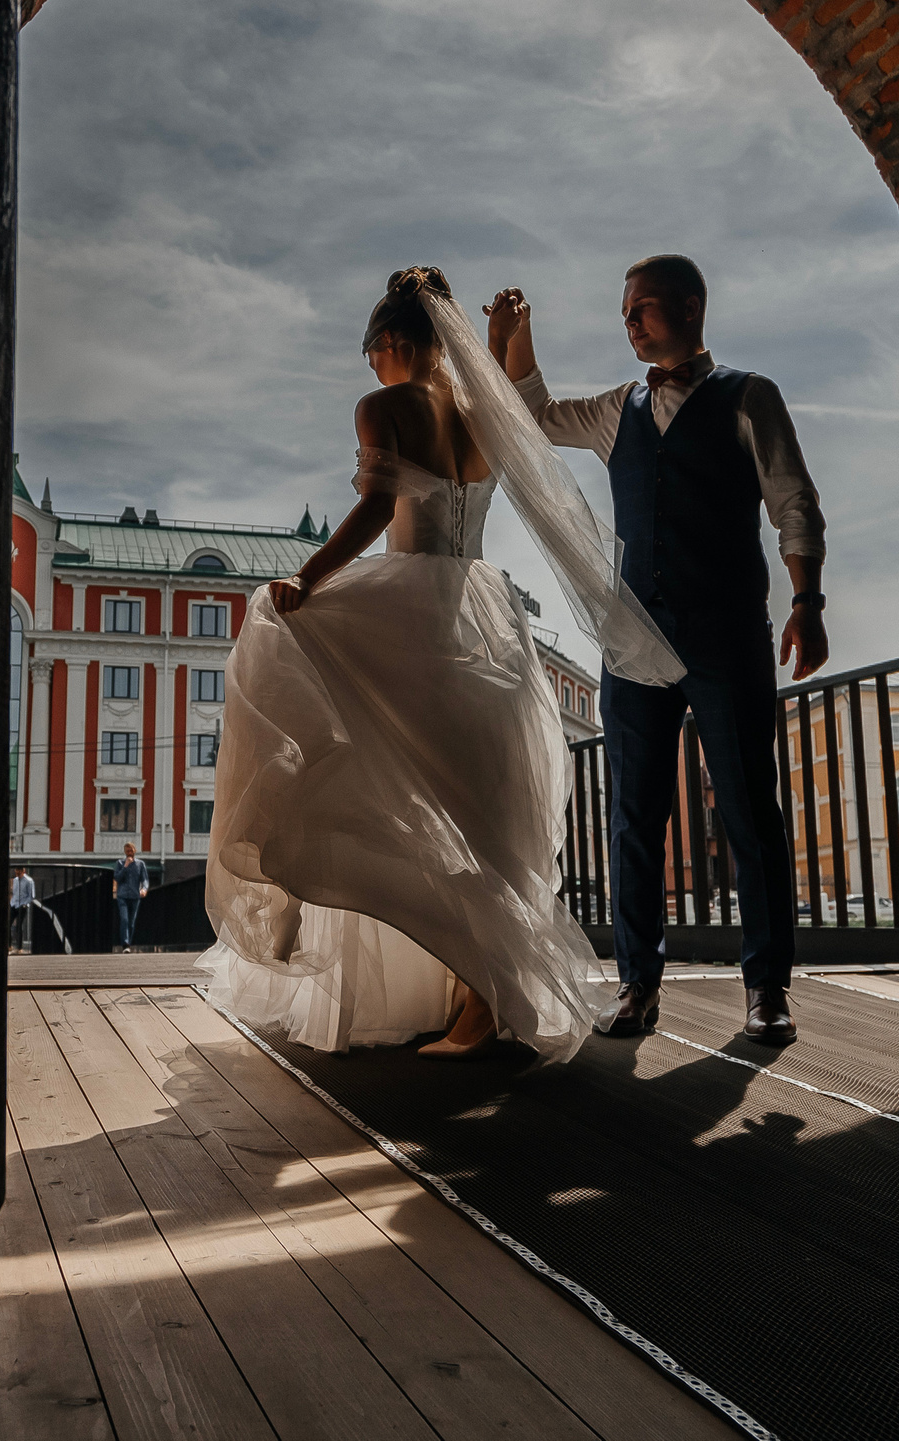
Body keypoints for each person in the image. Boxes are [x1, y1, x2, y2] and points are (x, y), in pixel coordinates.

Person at [204, 267, 685, 1062]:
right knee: (483, 819)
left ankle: (298, 913)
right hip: (487, 618)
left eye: (373, 357)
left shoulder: (385, 407)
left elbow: (372, 509)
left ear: (392, 344)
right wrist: (498, 346)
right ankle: (478, 1000)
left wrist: (307, 577)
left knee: (333, 729)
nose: (373, 371)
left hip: (412, 613)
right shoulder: (481, 415)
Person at [486, 255, 828, 1045]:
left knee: (749, 811)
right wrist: (516, 340)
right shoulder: (617, 408)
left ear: (691, 306)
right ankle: (638, 984)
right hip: (632, 639)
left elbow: (793, 502)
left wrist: (807, 602)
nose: (629, 321)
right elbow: (533, 417)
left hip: (727, 633)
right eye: (624, 311)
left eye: (642, 307)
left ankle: (767, 987)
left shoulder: (750, 395)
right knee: (634, 816)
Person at [113, 844, 148, 953]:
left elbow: (144, 879)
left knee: (131, 922)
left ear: (134, 851)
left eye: (131, 850)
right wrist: (125, 866)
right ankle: (125, 944)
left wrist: (144, 889)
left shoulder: (140, 864)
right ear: (125, 852)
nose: (129, 852)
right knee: (124, 919)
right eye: (127, 851)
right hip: (122, 895)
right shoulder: (120, 863)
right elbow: (117, 877)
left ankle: (129, 942)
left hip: (134, 896)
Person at [9, 866, 36, 949]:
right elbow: (14, 893)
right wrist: (12, 901)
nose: (17, 873)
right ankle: (9, 946)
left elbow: (31, 895)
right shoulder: (15, 881)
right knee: (8, 924)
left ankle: (19, 947)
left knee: (19, 926)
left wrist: (25, 903)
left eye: (19, 872)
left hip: (22, 905)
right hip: (14, 904)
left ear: (23, 871)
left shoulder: (29, 881)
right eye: (16, 871)